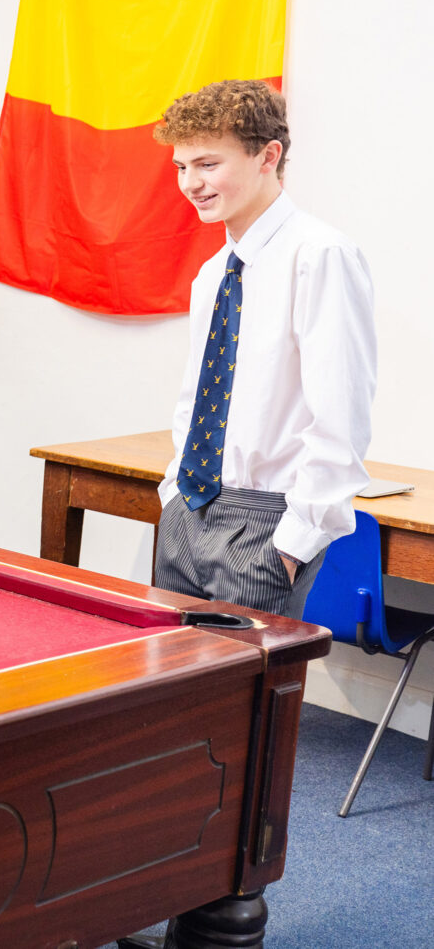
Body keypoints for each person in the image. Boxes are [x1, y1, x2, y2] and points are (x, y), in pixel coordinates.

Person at [152, 80, 376, 619]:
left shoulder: (320, 256)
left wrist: (294, 544)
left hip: (266, 525)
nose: (191, 184)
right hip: (189, 510)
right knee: (168, 692)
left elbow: (340, 415)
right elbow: (195, 396)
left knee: (245, 700)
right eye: (181, 167)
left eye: (207, 164)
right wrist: (173, 497)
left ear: (267, 156)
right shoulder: (213, 274)